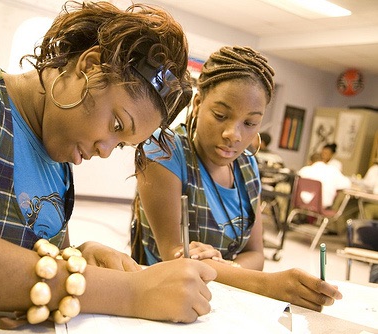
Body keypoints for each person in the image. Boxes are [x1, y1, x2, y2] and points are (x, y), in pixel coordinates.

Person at [0, 1, 218, 326]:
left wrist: (79, 256)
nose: (105, 150)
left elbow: (33, 272)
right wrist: (131, 292)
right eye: (116, 125)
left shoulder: (59, 164)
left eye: (121, 146)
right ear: (90, 66)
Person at [131, 46, 342, 312]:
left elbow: (256, 254)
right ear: (198, 104)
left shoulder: (247, 165)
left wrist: (225, 266)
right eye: (220, 116)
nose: (234, 134)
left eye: (250, 123)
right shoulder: (164, 152)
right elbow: (175, 258)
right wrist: (269, 285)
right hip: (165, 305)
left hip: (227, 308)